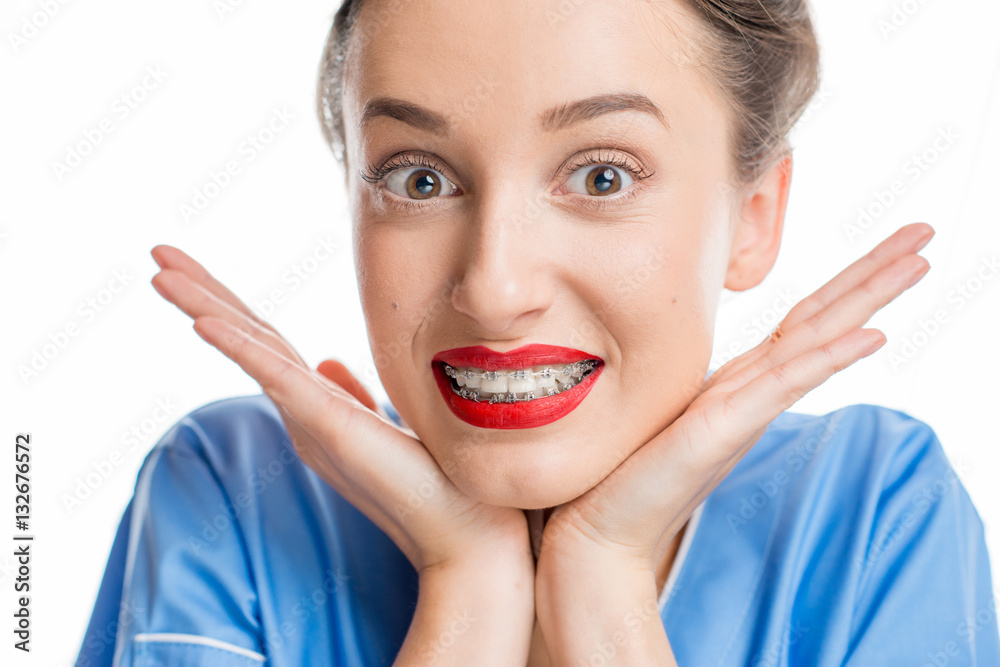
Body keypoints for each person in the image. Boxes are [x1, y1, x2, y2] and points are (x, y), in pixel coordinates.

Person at [74, 0, 999, 665]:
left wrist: (604, 586)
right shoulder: (235, 494)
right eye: (419, 178)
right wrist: (467, 590)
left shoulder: (875, 510)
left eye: (602, 176)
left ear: (753, 215)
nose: (494, 286)